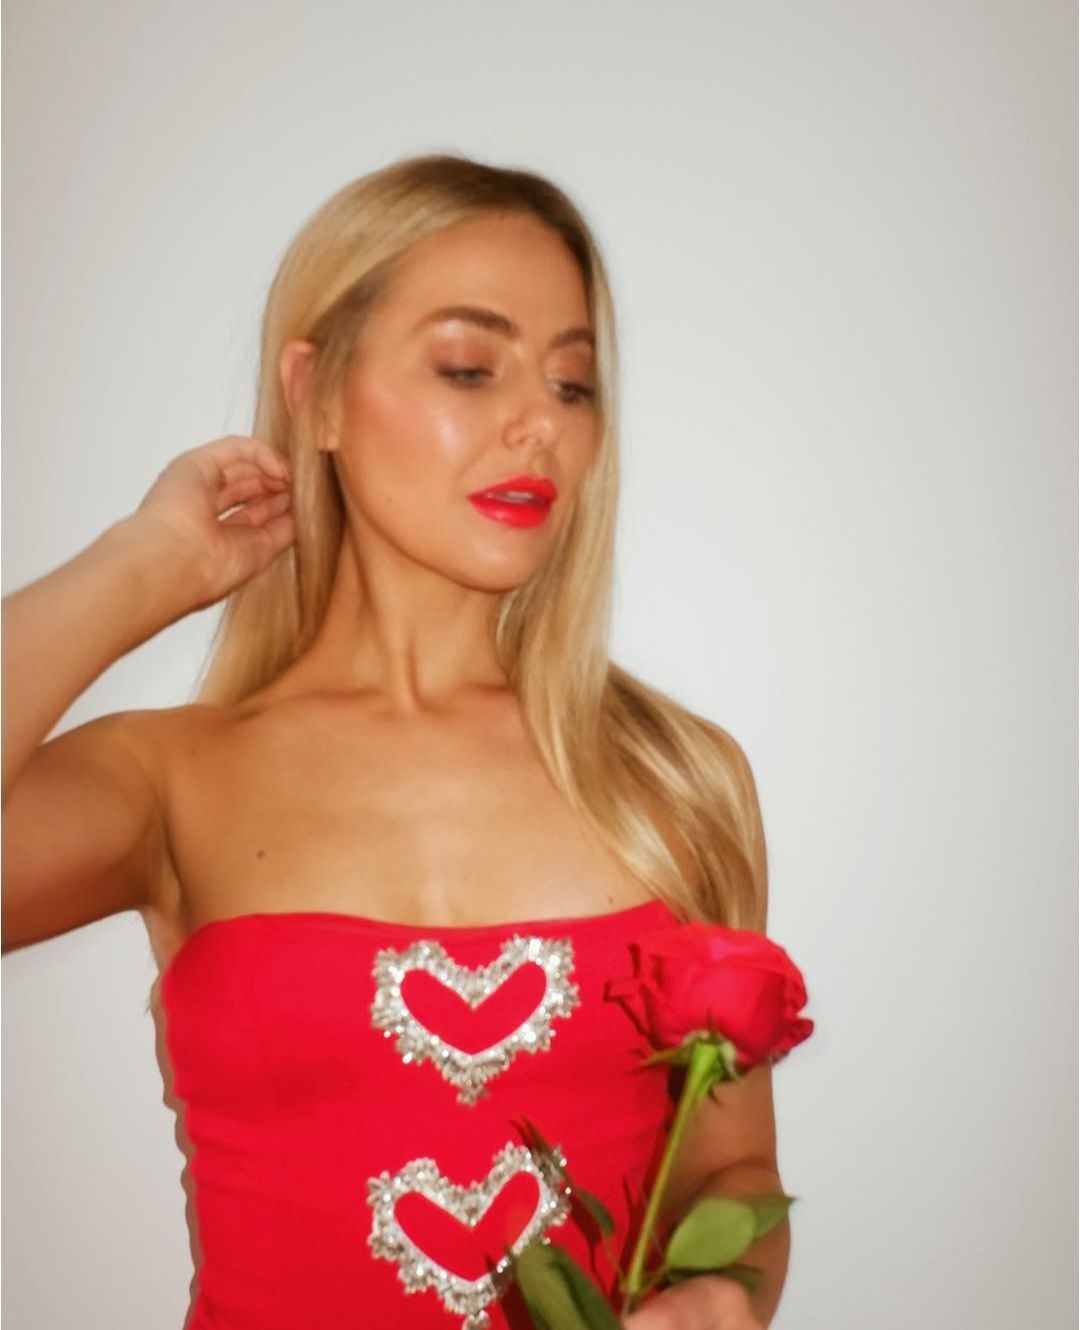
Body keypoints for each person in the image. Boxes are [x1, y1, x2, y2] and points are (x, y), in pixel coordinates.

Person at [2, 154, 787, 1329]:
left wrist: (720, 1299)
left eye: (573, 384)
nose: (540, 424)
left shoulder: (675, 781)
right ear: (315, 395)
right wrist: (143, 568)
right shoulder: (173, 778)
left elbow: (734, 1171)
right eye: (470, 367)